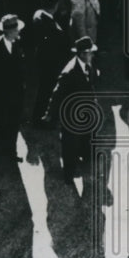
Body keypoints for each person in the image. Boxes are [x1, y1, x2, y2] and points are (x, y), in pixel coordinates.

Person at [45, 35, 98, 181]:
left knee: (87, 137)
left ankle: (86, 160)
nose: (92, 55)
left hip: (86, 111)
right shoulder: (69, 72)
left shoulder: (88, 64)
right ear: (81, 54)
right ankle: (68, 175)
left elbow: (90, 83)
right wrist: (50, 113)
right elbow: (57, 94)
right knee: (70, 146)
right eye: (89, 52)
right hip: (71, 116)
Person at [0, 14, 26, 161]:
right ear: (9, 31)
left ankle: (11, 151)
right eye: (17, 30)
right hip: (1, 94)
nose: (19, 32)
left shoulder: (17, 43)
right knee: (3, 122)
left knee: (14, 122)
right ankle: (4, 151)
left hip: (17, 92)